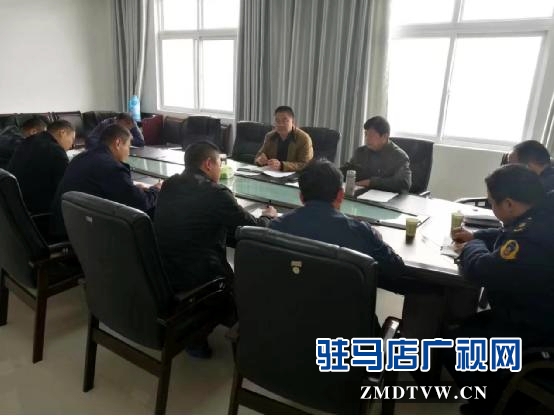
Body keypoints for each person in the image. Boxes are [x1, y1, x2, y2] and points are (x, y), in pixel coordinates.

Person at [447, 164, 554, 413]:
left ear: (508, 204)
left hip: (536, 331)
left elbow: (481, 269)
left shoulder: (530, 238)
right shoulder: (543, 212)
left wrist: (470, 247)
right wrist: (477, 236)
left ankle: (490, 404)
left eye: (492, 203)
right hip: (537, 313)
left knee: (453, 347)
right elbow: (508, 232)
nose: (492, 208)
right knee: (465, 327)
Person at [154, 141, 277, 357]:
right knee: (245, 281)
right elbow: (252, 227)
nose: (220, 169)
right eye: (220, 163)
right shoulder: (216, 193)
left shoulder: (169, 184)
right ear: (208, 164)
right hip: (199, 278)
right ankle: (199, 333)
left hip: (162, 271)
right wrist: (269, 217)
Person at [270, 159, 405, 291]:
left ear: (301, 196)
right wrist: (377, 240)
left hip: (289, 304)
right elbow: (397, 271)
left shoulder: (276, 227)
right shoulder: (360, 232)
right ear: (341, 195)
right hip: (343, 306)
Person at [51, 124, 160, 238]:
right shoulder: (111, 166)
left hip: (65, 225)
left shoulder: (81, 157)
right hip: (83, 235)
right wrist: (156, 189)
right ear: (118, 143)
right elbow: (140, 203)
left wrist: (133, 188)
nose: (128, 153)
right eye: (128, 146)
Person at [7, 120, 74, 215]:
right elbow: (66, 189)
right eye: (72, 139)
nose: (72, 145)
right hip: (40, 213)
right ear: (62, 133)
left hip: (15, 207)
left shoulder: (28, 141)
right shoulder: (55, 151)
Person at [341, 116, 412, 193]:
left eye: (371, 135)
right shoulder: (361, 152)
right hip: (361, 194)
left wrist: (370, 182)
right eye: (366, 134)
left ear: (385, 137)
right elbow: (347, 171)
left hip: (386, 198)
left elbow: (404, 184)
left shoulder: (399, 156)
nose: (367, 138)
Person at [254, 106, 313, 172]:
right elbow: (259, 155)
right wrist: (260, 160)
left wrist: (282, 165)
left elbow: (305, 164)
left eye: (285, 121)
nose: (280, 124)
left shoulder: (304, 138)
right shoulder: (270, 136)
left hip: (294, 176)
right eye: (277, 121)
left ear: (293, 121)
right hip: (271, 173)